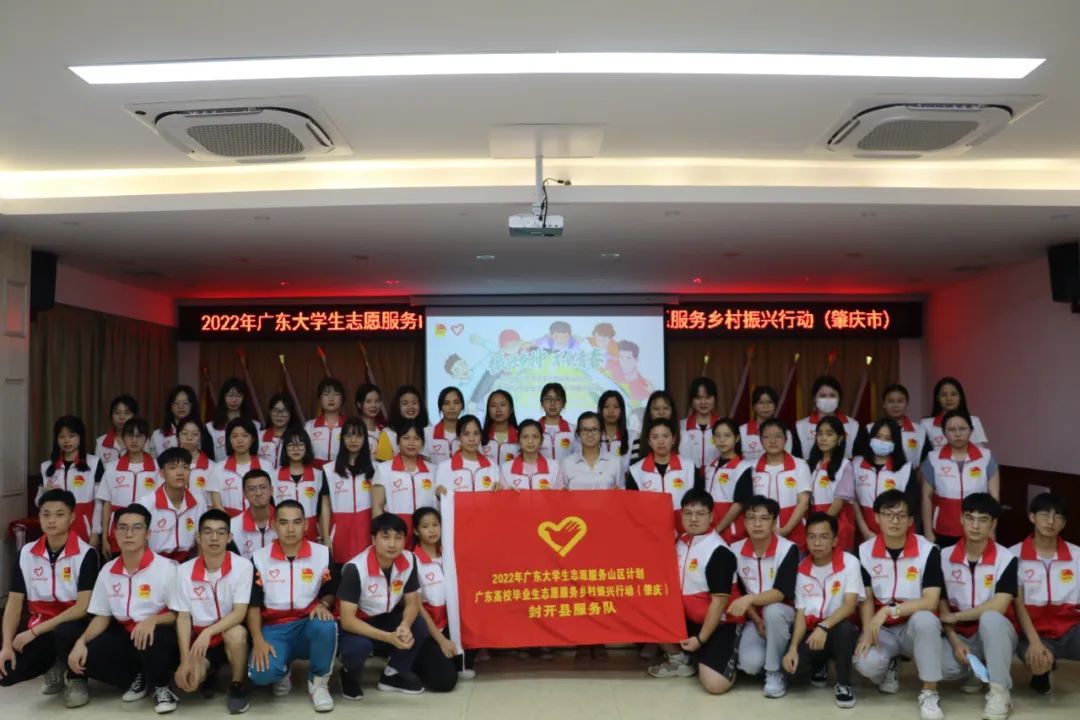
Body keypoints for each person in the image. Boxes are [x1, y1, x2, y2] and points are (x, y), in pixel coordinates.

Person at [68, 503, 180, 713]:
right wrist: (81, 641)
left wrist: (153, 620)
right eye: (123, 528)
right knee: (84, 651)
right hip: (124, 633)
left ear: (148, 533)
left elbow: (178, 614)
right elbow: (102, 616)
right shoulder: (108, 570)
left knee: (153, 637)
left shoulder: (167, 568)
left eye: (137, 528)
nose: (129, 534)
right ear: (115, 533)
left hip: (158, 633)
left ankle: (162, 686)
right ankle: (137, 677)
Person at [337, 513, 458, 699]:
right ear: (373, 539)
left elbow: (412, 603)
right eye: (385, 537)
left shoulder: (409, 560)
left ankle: (393, 674)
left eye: (398, 537)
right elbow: (347, 620)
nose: (392, 544)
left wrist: (405, 625)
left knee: (417, 623)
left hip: (386, 618)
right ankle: (348, 676)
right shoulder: (356, 569)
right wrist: (389, 637)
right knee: (358, 647)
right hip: (357, 625)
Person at [852, 489, 946, 720]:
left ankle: (930, 692)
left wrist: (890, 610)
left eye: (901, 515)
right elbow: (866, 597)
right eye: (888, 514)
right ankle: (889, 665)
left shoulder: (928, 551)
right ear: (876, 517)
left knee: (927, 620)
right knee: (865, 663)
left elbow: (931, 600)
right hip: (882, 628)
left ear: (911, 520)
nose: (895, 521)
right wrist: (867, 631)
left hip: (912, 625)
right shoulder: (864, 551)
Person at [0, 489, 98, 707]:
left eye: (59, 514)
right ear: (39, 517)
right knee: (7, 673)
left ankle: (76, 678)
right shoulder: (26, 553)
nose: (52, 520)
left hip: (74, 625)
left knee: (65, 632)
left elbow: (82, 608)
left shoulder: (86, 554)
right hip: (40, 627)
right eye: (46, 514)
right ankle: (56, 663)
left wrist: (34, 632)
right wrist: (6, 645)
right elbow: (14, 603)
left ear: (72, 518)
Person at [246, 500, 337, 712]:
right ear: (274, 525)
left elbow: (331, 589)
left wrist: (324, 604)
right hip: (274, 628)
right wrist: (258, 640)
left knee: (326, 624)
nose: (290, 529)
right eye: (284, 522)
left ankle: (318, 683)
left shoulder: (322, 554)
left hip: (308, 623)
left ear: (306, 524)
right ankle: (282, 670)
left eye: (296, 522)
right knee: (261, 675)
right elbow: (253, 605)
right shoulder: (259, 558)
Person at [648, 490, 741, 695]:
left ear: (711, 516)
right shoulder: (680, 541)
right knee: (647, 603)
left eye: (700, 514)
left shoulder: (718, 551)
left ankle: (729, 658)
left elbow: (718, 603)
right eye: (688, 513)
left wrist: (700, 640)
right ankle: (680, 660)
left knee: (715, 685)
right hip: (688, 619)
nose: (693, 519)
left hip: (719, 624)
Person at [938, 494, 1018, 720]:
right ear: (961, 519)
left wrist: (957, 617)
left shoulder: (1006, 558)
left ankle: (1000, 692)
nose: (975, 525)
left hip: (996, 633)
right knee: (941, 667)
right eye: (969, 518)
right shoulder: (943, 556)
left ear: (993, 523)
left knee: (991, 618)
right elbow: (942, 610)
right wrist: (955, 641)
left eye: (983, 519)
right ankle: (978, 671)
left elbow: (1000, 605)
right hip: (960, 635)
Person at [171, 509, 252, 714]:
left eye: (220, 532)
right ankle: (209, 672)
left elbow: (239, 613)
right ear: (198, 537)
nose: (214, 537)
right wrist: (185, 660)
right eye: (207, 532)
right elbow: (183, 617)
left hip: (227, 634)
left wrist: (209, 632)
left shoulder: (243, 566)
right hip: (200, 640)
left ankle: (237, 685)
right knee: (190, 682)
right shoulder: (183, 571)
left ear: (229, 537)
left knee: (236, 633)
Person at [781, 512, 862, 708]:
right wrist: (793, 649)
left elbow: (850, 605)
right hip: (812, 632)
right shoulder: (801, 570)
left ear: (835, 540)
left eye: (824, 537)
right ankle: (820, 664)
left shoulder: (849, 562)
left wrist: (824, 627)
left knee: (845, 629)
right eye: (812, 537)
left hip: (837, 628)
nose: (817, 543)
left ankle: (843, 683)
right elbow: (800, 615)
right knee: (792, 672)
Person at [727, 496, 798, 698]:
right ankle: (773, 655)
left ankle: (774, 672)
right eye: (751, 518)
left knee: (773, 611)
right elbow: (738, 592)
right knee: (750, 665)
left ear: (774, 523)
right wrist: (756, 619)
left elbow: (781, 592)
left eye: (764, 518)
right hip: (754, 618)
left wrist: (750, 600)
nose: (757, 524)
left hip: (784, 613)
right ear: (744, 522)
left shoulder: (787, 549)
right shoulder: (734, 550)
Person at [1009, 493, 1080, 694]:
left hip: (1071, 631)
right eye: (1044, 515)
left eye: (1058, 517)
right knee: (1038, 663)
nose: (1051, 522)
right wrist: (1035, 643)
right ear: (1032, 517)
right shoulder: (1013, 555)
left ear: (1064, 523)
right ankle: (1042, 670)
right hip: (1032, 632)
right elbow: (1018, 605)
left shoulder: (1077, 556)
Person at [920, 410, 1000, 547]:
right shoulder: (933, 458)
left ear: (971, 430)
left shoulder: (986, 457)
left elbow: (994, 497)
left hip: (978, 527)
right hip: (944, 529)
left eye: (962, 429)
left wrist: (992, 529)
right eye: (951, 429)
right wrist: (928, 531)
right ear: (944, 432)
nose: (957, 434)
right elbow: (926, 496)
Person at [411, 507, 476, 676]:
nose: (432, 530)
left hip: (451, 624)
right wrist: (441, 640)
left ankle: (455, 662)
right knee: (445, 681)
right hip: (428, 629)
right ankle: (412, 662)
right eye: (425, 526)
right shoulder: (413, 560)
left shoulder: (449, 553)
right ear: (416, 531)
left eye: (435, 525)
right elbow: (418, 607)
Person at [97, 418, 158, 557]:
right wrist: (104, 538)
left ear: (146, 439)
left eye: (139, 436)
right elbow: (106, 504)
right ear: (123, 438)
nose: (134, 440)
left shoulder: (157, 468)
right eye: (130, 435)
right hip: (118, 530)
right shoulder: (112, 468)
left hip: (147, 530)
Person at [38, 415, 103, 544]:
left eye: (71, 436)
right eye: (62, 437)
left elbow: (99, 502)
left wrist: (96, 532)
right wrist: (43, 493)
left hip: (84, 528)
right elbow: (38, 502)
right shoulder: (46, 466)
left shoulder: (94, 463)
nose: (66, 441)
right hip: (54, 528)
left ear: (80, 437)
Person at [750, 419, 812, 550]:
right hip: (760, 536)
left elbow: (803, 503)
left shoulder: (800, 465)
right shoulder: (751, 467)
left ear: (786, 439)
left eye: (778, 436)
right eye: (767, 437)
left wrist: (785, 530)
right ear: (760, 440)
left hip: (794, 533)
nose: (772, 441)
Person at [137, 447, 207, 561]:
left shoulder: (198, 501)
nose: (180, 472)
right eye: (173, 468)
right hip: (155, 561)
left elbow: (202, 539)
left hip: (189, 561)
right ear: (162, 473)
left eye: (185, 467)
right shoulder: (145, 504)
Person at [373, 420, 436, 545]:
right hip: (395, 531)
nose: (411, 443)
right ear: (398, 441)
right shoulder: (383, 469)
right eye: (406, 438)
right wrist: (378, 536)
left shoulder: (433, 470)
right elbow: (377, 507)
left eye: (416, 438)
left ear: (423, 443)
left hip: (426, 531)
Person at [626, 418, 695, 532]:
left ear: (673, 439)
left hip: (685, 533)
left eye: (665, 436)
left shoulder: (689, 467)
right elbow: (632, 509)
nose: (661, 441)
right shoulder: (635, 471)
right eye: (655, 437)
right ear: (649, 441)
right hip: (649, 532)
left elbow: (698, 503)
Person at [852, 418, 914, 542]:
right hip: (863, 533)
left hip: (896, 534)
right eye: (878, 437)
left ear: (895, 442)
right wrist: (865, 531)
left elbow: (908, 506)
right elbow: (853, 501)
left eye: (888, 438)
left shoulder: (905, 469)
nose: (881, 442)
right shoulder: (856, 464)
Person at [323, 417, 376, 559]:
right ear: (342, 438)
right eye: (349, 435)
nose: (353, 440)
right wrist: (326, 537)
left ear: (365, 439)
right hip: (340, 535)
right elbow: (325, 504)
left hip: (367, 533)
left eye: (358, 435)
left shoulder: (377, 469)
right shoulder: (329, 469)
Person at [806, 416, 856, 551]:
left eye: (829, 434)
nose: (823, 438)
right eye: (820, 434)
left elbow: (838, 503)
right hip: (815, 526)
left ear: (840, 438)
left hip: (837, 526)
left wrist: (821, 526)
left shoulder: (845, 465)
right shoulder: (812, 464)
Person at [273, 426, 328, 542]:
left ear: (307, 447)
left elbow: (322, 510)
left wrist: (324, 536)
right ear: (285, 448)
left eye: (300, 444)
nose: (296, 448)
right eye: (291, 445)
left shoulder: (318, 475)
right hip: (283, 532)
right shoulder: (274, 476)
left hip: (312, 532)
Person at [703, 418, 753, 544]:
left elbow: (739, 504)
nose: (722, 440)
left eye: (727, 435)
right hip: (710, 529)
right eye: (718, 436)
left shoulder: (743, 467)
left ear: (737, 438)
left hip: (732, 533)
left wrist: (717, 530)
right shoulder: (710, 467)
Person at [209, 417, 268, 518]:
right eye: (234, 436)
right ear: (229, 439)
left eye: (245, 436)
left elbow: (271, 499)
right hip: (229, 522)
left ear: (253, 438)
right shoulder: (218, 468)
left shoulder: (266, 466)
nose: (240, 440)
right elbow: (216, 504)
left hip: (259, 520)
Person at [794, 376, 861, 459]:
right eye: (823, 396)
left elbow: (858, 458)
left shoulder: (853, 425)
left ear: (839, 398)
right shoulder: (800, 426)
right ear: (814, 398)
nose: (827, 399)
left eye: (832, 395)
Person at [435, 415, 499, 496]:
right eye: (466, 434)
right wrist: (438, 495)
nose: (471, 439)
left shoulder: (493, 467)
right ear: (458, 437)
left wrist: (501, 492)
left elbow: (497, 499)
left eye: (476, 433)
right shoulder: (444, 467)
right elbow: (439, 500)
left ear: (481, 436)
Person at [920, 377, 989, 452]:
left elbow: (980, 452)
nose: (949, 398)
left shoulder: (974, 421)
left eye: (953, 394)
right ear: (937, 398)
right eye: (943, 395)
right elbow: (923, 454)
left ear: (960, 397)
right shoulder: (926, 424)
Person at [561, 412, 623, 491]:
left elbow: (621, 493)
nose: (590, 434)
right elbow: (562, 495)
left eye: (594, 429)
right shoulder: (567, 463)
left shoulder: (615, 462)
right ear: (578, 433)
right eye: (585, 429)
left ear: (601, 433)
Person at [207, 378, 261, 462]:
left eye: (238, 396)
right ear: (223, 397)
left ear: (244, 397)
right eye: (230, 395)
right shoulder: (210, 427)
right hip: (219, 468)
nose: (234, 400)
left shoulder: (255, 425)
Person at [501, 419, 564, 490]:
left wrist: (550, 494)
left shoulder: (554, 467)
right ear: (518, 440)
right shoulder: (505, 468)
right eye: (525, 437)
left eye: (535, 436)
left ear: (541, 440)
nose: (530, 441)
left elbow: (561, 495)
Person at [875, 384, 927, 465]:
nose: (895, 405)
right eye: (890, 401)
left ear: (907, 404)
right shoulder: (871, 429)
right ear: (884, 404)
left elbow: (925, 461)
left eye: (900, 401)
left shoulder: (920, 431)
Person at [229, 470, 276, 559]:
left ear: (271, 490)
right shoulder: (232, 526)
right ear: (244, 494)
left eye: (263, 487)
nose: (258, 493)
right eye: (252, 489)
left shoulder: (285, 522)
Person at [375, 385, 429, 462]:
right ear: (397, 406)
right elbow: (383, 466)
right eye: (405, 403)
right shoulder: (388, 433)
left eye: (414, 403)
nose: (410, 407)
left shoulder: (428, 430)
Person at [679, 377, 720, 476]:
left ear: (715, 399)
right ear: (691, 400)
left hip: (717, 478)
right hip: (687, 478)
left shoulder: (723, 426)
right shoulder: (681, 427)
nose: (703, 402)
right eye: (698, 398)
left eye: (708, 397)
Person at [739, 386, 792, 462]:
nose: (766, 406)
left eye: (769, 402)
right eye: (761, 403)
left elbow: (786, 458)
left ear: (775, 405)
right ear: (754, 406)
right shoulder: (741, 431)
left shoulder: (785, 431)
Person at [304, 377, 347, 469]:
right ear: (320, 399)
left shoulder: (350, 426)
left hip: (342, 473)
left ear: (342, 399)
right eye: (326, 394)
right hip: (315, 473)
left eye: (336, 394)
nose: (331, 398)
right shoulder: (309, 426)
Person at [176, 416, 215, 507]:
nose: (189, 438)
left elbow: (214, 502)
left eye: (195, 434)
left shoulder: (212, 467)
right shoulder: (167, 464)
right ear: (177, 436)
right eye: (184, 433)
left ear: (201, 436)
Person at [631, 390, 679, 462]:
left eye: (666, 408)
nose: (661, 413)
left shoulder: (684, 438)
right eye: (656, 409)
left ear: (672, 411)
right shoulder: (638, 440)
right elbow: (634, 467)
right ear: (649, 412)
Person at [151, 385, 199, 457]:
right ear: (170, 406)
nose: (181, 406)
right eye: (176, 403)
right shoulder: (157, 435)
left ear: (192, 405)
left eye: (185, 403)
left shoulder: (200, 432)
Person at [597, 390, 637, 475]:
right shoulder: (594, 436)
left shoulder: (633, 436)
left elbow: (635, 468)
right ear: (600, 410)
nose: (611, 411)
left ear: (622, 410)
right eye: (606, 407)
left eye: (616, 407)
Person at [258, 393, 299, 471]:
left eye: (284, 410)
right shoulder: (259, 436)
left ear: (291, 413)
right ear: (270, 412)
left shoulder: (297, 438)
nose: (279, 414)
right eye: (275, 410)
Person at [424, 387, 464, 467]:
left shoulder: (471, 433)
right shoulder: (427, 433)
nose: (452, 407)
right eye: (446, 403)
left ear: (462, 406)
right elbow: (426, 465)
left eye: (456, 402)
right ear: (440, 407)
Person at [95, 395, 139, 465]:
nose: (121, 417)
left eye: (127, 413)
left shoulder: (142, 441)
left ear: (134, 416)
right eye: (117, 413)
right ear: (111, 415)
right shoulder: (101, 442)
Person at [537, 383, 576, 462]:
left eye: (557, 399)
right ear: (541, 402)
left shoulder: (573, 430)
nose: (552, 403)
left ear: (564, 403)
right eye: (548, 399)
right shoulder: (534, 429)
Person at [481, 389, 520, 464]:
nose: (498, 409)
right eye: (493, 406)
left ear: (511, 409)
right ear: (488, 410)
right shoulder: (480, 437)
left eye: (502, 405)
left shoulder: (520, 437)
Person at [355, 383, 387, 455]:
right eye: (368, 401)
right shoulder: (353, 429)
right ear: (359, 404)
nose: (373, 405)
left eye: (377, 401)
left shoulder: (384, 429)